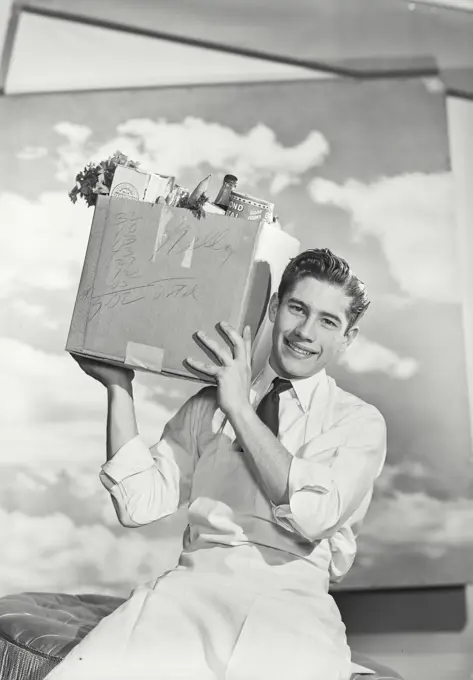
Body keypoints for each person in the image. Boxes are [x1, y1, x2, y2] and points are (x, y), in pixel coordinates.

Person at [47, 248, 386, 680]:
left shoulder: (358, 422)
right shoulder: (209, 404)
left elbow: (314, 517)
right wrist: (119, 388)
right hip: (190, 591)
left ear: (347, 337)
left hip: (293, 604)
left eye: (327, 321)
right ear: (275, 306)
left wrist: (241, 410)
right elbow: (138, 504)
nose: (304, 331)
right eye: (297, 309)